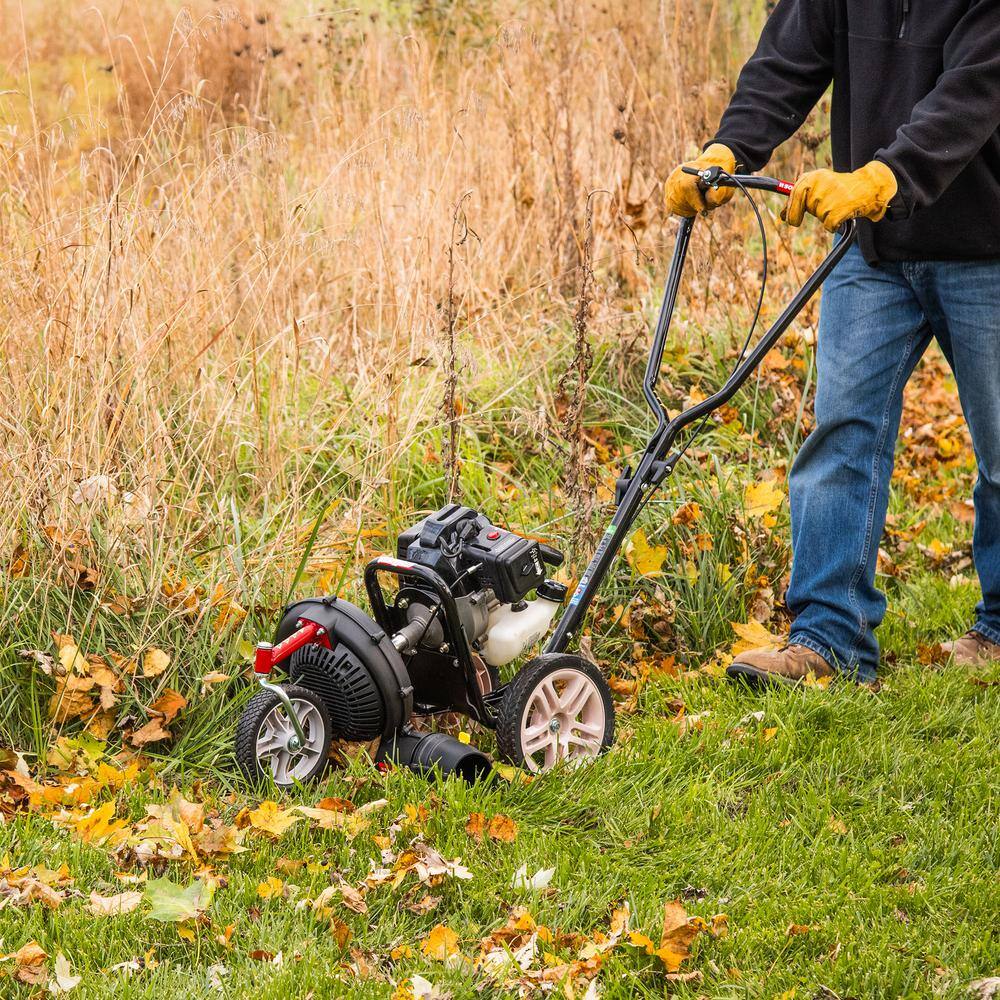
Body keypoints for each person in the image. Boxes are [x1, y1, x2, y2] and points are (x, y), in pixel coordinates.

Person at [664, 0, 1000, 687]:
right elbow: (787, 62)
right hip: (872, 249)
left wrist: (885, 177)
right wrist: (729, 148)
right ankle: (828, 638)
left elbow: (975, 93)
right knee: (841, 431)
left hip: (987, 247)